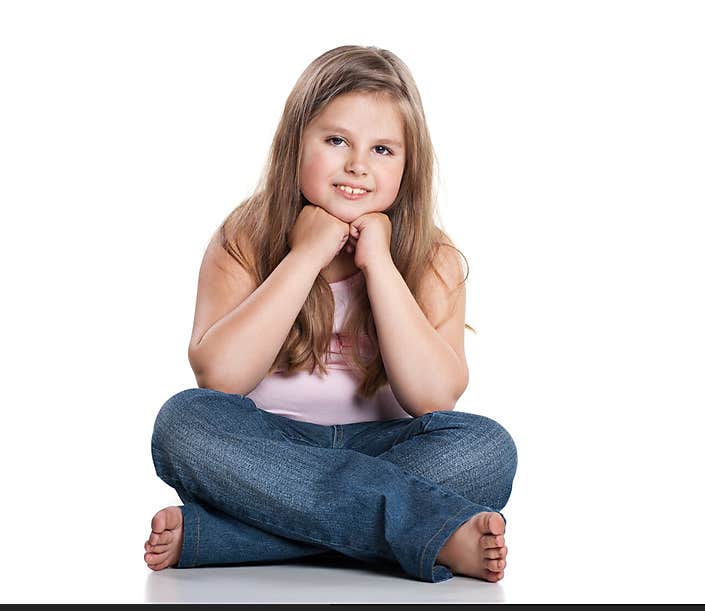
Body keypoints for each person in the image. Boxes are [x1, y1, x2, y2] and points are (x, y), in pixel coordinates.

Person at [143, 45, 517, 583]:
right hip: (268, 444)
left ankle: (232, 537)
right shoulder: (244, 240)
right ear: (296, 143)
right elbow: (219, 378)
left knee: (485, 450)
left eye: (383, 149)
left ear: (409, 166)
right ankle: (427, 530)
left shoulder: (433, 259)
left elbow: (435, 400)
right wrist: (307, 254)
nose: (358, 165)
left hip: (385, 447)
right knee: (183, 424)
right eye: (337, 140)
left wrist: (380, 264)